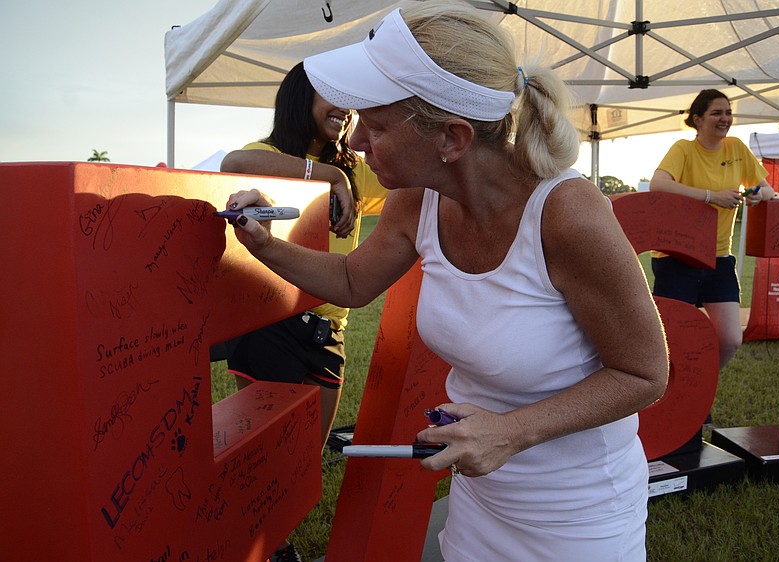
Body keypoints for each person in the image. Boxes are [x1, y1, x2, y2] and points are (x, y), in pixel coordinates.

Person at [225, 2, 668, 560]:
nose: (356, 142)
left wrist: (511, 431)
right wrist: (265, 245)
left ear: (453, 139)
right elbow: (351, 280)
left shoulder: (567, 214)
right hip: (481, 498)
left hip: (577, 514)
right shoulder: (417, 199)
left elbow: (644, 372)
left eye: (377, 125)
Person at [218, 62, 388, 562]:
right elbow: (233, 163)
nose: (346, 109)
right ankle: (270, 549)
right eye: (333, 96)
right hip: (272, 325)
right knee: (266, 457)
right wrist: (329, 175)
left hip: (330, 331)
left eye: (350, 99)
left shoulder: (355, 167)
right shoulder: (272, 157)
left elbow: (409, 183)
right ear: (301, 99)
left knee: (302, 460)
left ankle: (272, 538)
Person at [649, 89, 775, 370]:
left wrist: (756, 194)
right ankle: (673, 396)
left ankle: (697, 387)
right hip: (676, 257)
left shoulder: (737, 148)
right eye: (717, 113)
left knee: (730, 339)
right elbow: (658, 184)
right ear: (697, 119)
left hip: (718, 257)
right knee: (672, 339)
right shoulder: (684, 148)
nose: (725, 119)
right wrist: (711, 196)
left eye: (728, 112)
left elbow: (768, 190)